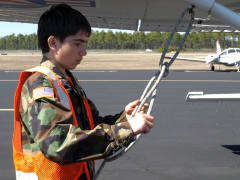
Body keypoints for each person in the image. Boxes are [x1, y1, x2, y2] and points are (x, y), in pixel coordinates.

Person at [13, 4, 154, 180]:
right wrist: (125, 130)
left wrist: (123, 118)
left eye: (84, 44)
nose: (84, 52)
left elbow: (89, 125)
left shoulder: (65, 81)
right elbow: (57, 144)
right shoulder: (40, 84)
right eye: (77, 43)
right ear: (53, 43)